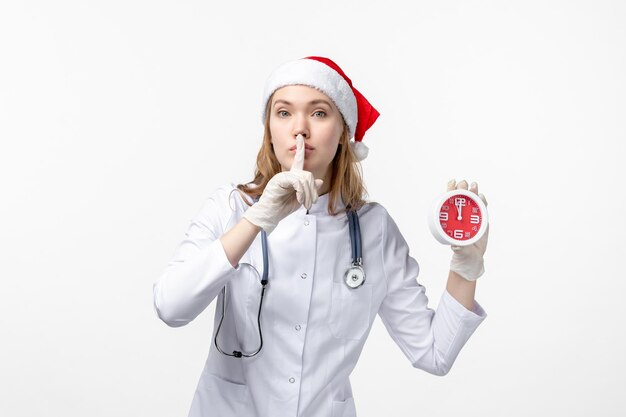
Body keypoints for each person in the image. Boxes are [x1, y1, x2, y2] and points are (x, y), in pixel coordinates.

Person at [153, 56, 489, 417]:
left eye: (318, 113)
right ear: (268, 129)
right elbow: (171, 307)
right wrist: (257, 219)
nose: (299, 129)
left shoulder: (373, 229)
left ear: (344, 132)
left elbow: (433, 353)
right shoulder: (230, 208)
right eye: (283, 113)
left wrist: (466, 265)